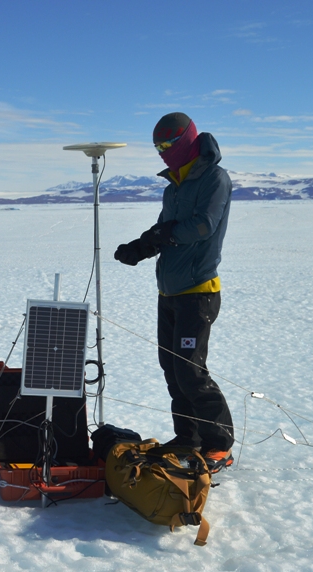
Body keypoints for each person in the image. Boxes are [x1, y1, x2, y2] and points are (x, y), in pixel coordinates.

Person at [113, 112, 234, 473]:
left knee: (190, 371)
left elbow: (202, 225)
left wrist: (162, 236)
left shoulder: (214, 178)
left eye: (167, 146)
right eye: (157, 148)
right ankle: (189, 436)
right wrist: (143, 245)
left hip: (198, 291)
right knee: (172, 368)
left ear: (187, 142)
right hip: (169, 292)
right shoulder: (174, 187)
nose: (162, 153)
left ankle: (220, 445)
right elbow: (168, 227)